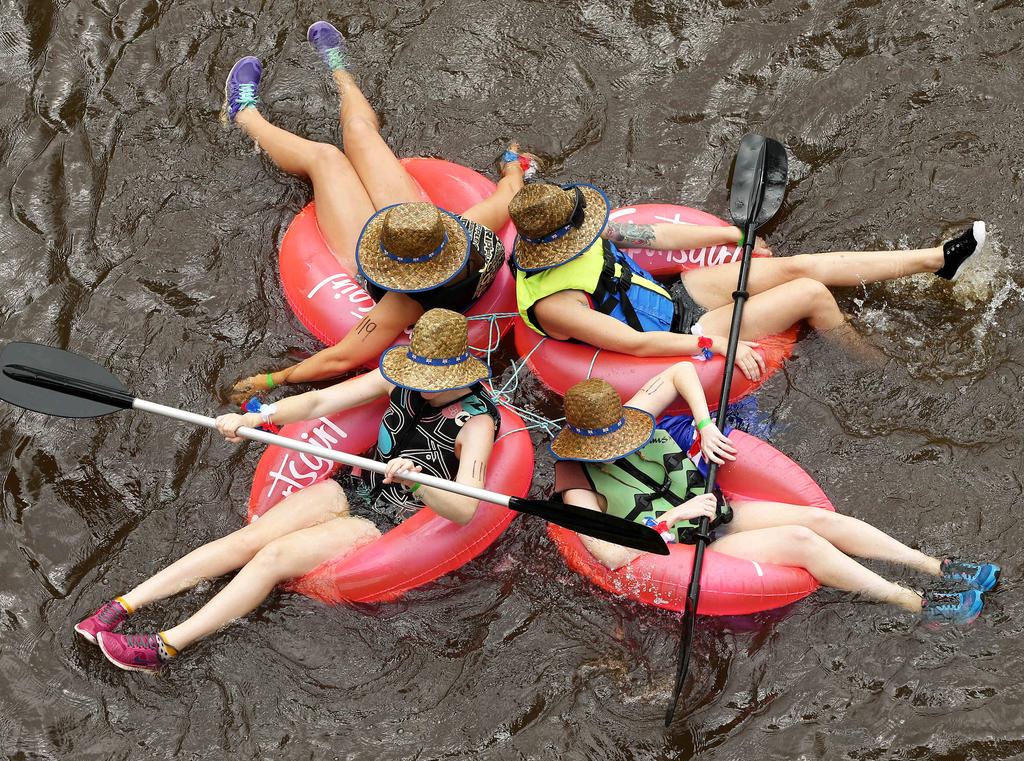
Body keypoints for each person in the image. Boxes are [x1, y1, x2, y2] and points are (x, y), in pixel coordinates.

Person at [74, 309, 500, 672]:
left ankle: (164, 646)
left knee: (272, 558)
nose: (417, 382)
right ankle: (119, 608)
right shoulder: (401, 379)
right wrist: (261, 417)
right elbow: (319, 403)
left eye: (428, 377)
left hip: (391, 517)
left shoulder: (476, 425)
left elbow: (464, 508)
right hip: (356, 485)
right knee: (249, 539)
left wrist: (418, 483)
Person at [220, 21, 536, 403]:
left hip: (387, 250)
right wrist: (513, 165)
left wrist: (271, 380)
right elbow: (509, 194)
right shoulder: (472, 231)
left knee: (326, 158)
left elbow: (340, 358)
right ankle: (340, 72)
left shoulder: (402, 304)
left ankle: (243, 115)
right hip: (413, 233)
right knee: (359, 131)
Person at [550, 366, 1000, 623]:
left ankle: (935, 566)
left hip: (716, 511)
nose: (624, 444)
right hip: (688, 544)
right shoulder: (575, 474)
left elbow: (682, 371)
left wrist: (704, 426)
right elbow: (608, 553)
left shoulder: (629, 417)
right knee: (803, 543)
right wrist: (672, 519)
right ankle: (916, 602)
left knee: (819, 520)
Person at [509, 182, 986, 381]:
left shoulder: (581, 229)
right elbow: (634, 345)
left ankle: (936, 260)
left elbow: (654, 235)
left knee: (795, 267)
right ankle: (873, 366)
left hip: (674, 297)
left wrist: (730, 233)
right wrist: (718, 347)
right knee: (810, 295)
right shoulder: (557, 305)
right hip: (676, 334)